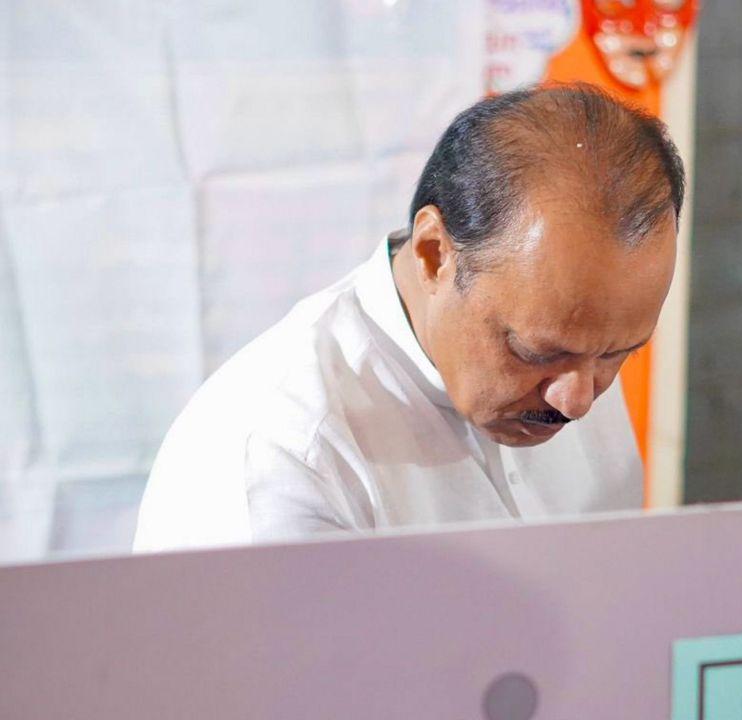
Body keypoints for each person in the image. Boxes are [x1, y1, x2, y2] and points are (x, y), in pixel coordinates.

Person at [133, 84, 684, 551]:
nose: (578, 401)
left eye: (619, 353)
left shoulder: (576, 347)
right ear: (433, 254)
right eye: (537, 353)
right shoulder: (285, 457)